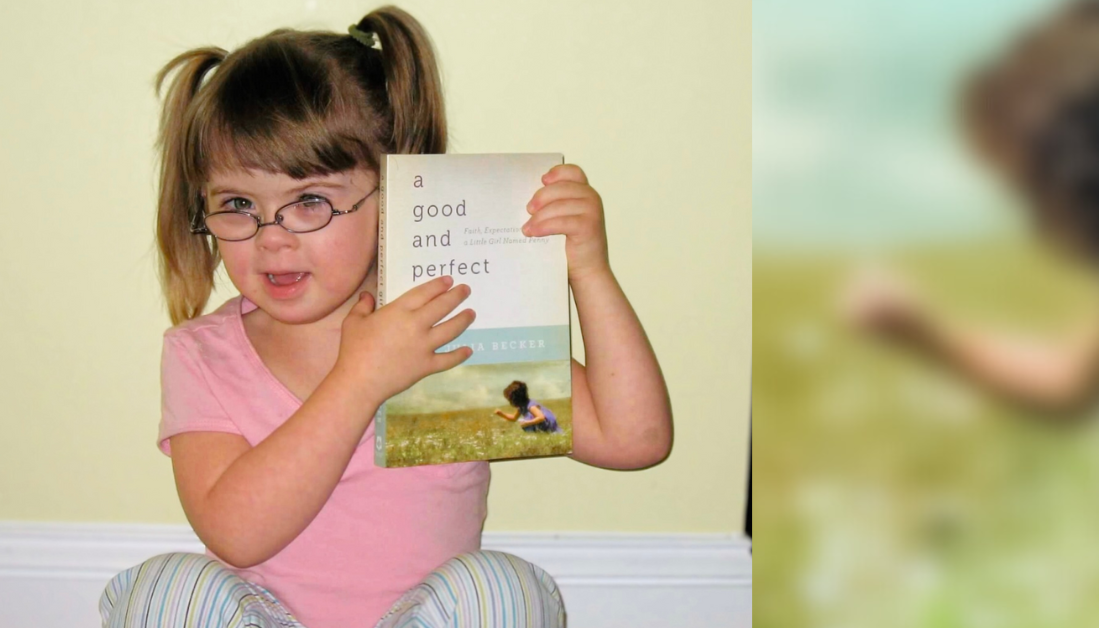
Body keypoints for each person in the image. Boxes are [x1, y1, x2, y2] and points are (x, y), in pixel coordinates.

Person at [102, 6, 673, 626]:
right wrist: (360, 380)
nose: (271, 237)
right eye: (238, 204)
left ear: (395, 188)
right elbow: (236, 535)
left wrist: (590, 273)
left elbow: (633, 439)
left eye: (310, 201)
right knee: (168, 590)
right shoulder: (204, 355)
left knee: (500, 587)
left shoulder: (450, 332)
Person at [844, 0, 1099, 510]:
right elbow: (1074, 386)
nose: (1034, 228)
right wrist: (922, 333)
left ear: (1095, 189)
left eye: (1033, 198)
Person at [493, 380, 561, 433]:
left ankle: (541, 433)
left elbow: (541, 417)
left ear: (516, 399)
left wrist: (527, 423)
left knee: (525, 424)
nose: (509, 402)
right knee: (524, 422)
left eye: (509, 399)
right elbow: (514, 418)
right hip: (543, 425)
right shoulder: (522, 406)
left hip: (548, 427)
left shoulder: (531, 406)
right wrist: (501, 414)